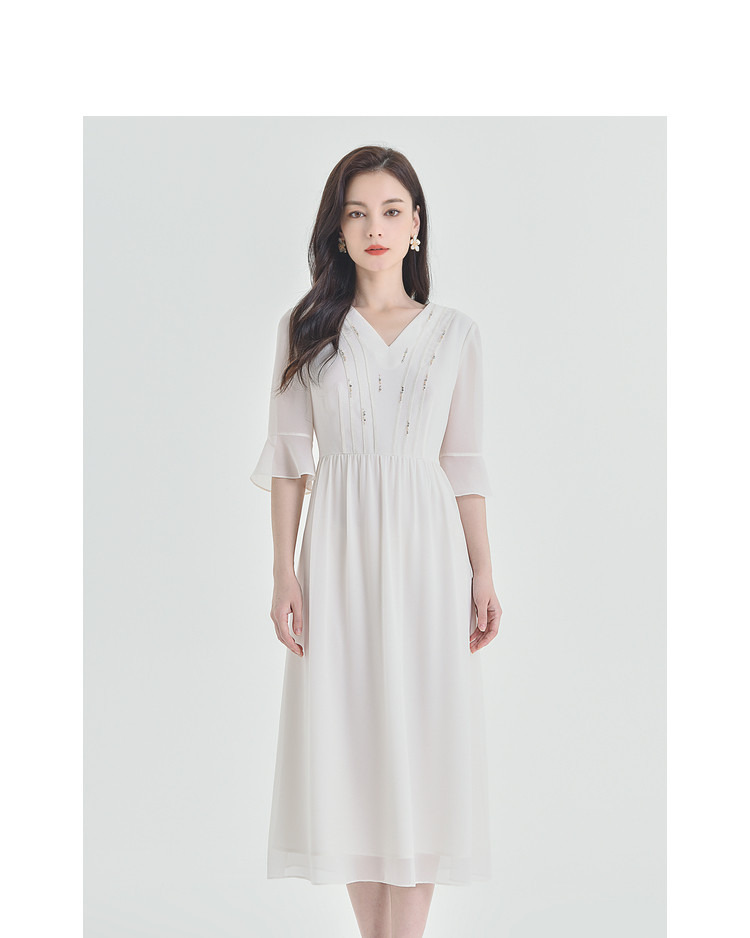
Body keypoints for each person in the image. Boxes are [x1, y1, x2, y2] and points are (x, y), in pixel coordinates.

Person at [251, 144, 502, 938]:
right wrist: (284, 574)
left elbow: (464, 462)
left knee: (423, 745)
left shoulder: (455, 334)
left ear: (416, 224)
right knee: (351, 746)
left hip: (428, 556)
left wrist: (483, 571)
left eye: (391, 211)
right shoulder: (307, 329)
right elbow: (289, 461)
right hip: (337, 555)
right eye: (357, 213)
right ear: (338, 229)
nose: (375, 228)